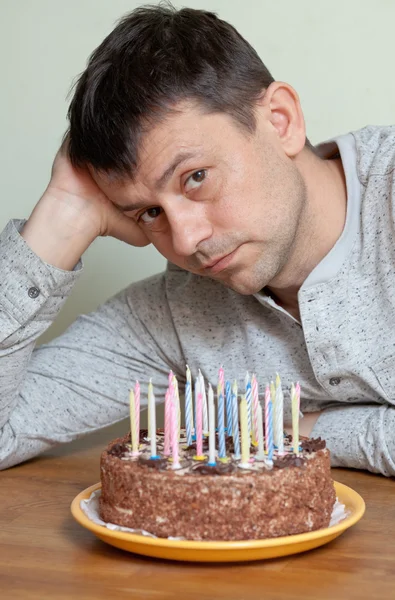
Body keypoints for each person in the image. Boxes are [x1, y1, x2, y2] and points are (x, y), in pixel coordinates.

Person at [1, 4, 394, 476]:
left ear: (280, 120)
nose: (186, 241)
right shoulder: (176, 311)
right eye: (150, 213)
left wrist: (302, 430)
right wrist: (58, 221)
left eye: (196, 177)